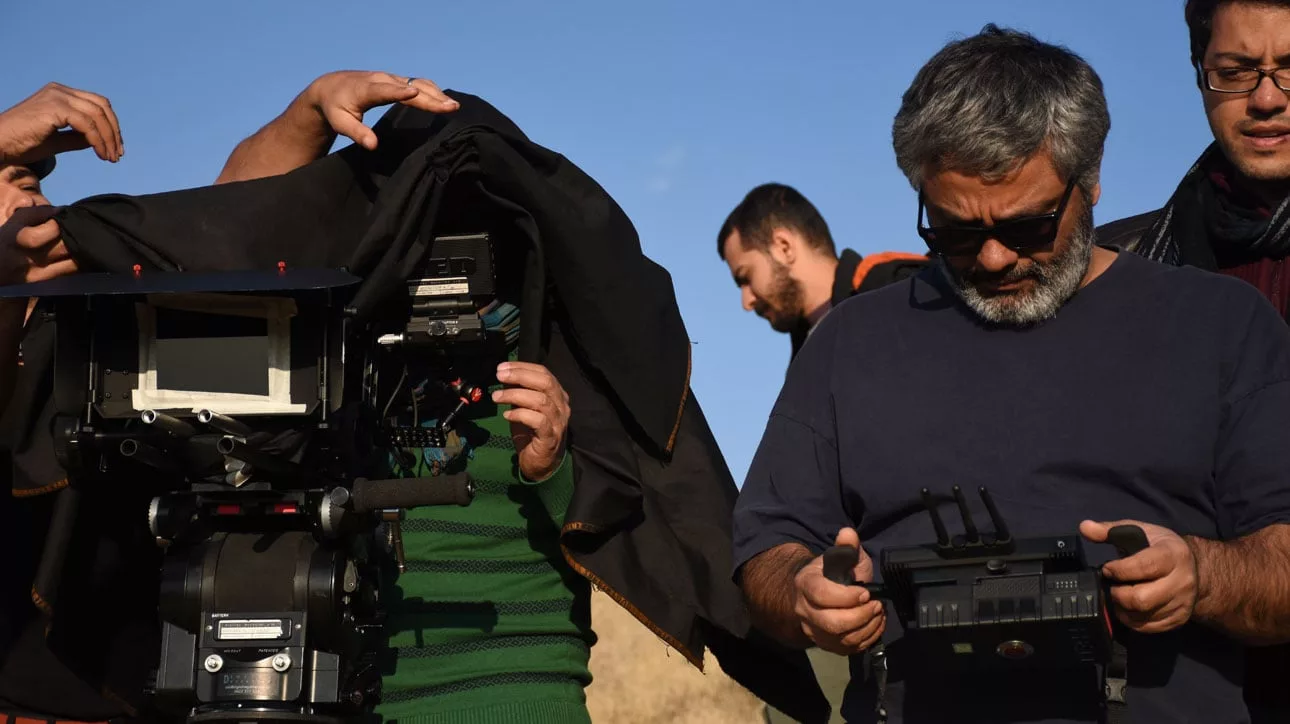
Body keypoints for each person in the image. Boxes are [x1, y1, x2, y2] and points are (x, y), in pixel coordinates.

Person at [733, 24, 1290, 724]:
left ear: (1089, 183)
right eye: (957, 232)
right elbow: (765, 548)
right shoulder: (848, 341)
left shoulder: (1222, 327)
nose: (994, 258)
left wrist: (1202, 575)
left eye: (1027, 227)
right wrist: (803, 594)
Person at [0, 72, 460, 724]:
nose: (29, 177)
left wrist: (308, 113)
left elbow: (221, 226)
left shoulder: (91, 322)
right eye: (7, 168)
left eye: (35, 173)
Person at [1095, 4, 1290, 716]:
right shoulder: (1121, 266)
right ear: (1199, 75)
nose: (1266, 98)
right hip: (1176, 687)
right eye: (1235, 72)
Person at [717, 183, 927, 361]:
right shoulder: (804, 359)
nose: (746, 302)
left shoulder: (903, 292)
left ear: (784, 247)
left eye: (746, 278)